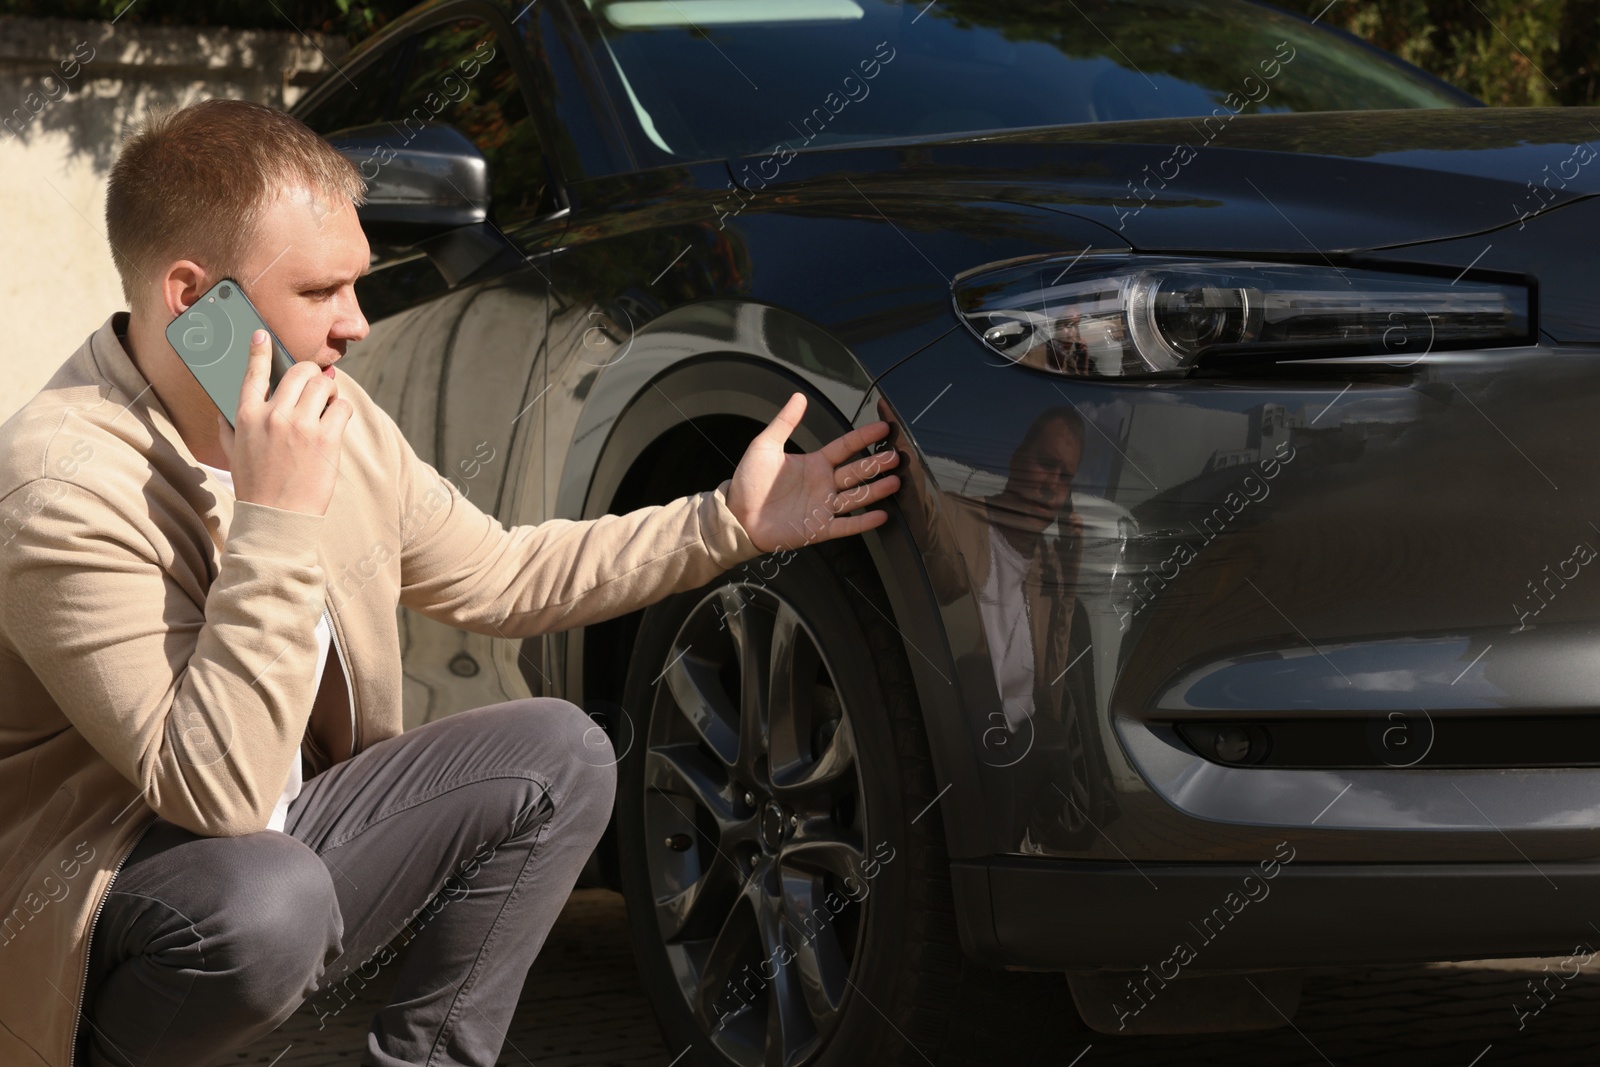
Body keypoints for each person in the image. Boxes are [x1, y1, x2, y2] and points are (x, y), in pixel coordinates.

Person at [0, 98, 902, 1067]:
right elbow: (215, 791)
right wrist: (275, 516)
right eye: (319, 292)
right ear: (193, 297)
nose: (357, 325)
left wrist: (725, 520)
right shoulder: (61, 483)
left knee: (561, 750)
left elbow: (503, 574)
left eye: (359, 283)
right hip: (98, 910)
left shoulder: (332, 422)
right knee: (265, 904)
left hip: (276, 845)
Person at [881, 397, 1113, 851]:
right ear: (1015, 459)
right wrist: (903, 462)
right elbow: (936, 556)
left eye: (1065, 477)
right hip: (968, 764)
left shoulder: (1048, 563)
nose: (1052, 486)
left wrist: (1066, 582)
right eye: (1046, 465)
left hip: (1027, 770)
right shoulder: (961, 517)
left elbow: (1052, 681)